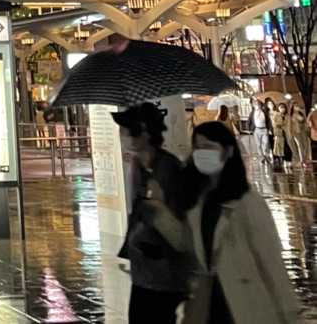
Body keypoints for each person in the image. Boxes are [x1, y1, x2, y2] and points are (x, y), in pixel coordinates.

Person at [180, 120, 300, 323]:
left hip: (246, 305)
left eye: (209, 146)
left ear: (228, 151)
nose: (201, 153)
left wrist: (288, 313)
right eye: (197, 147)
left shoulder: (248, 202)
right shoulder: (198, 202)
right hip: (209, 304)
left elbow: (270, 261)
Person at [112, 103, 190, 323]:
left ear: (144, 133)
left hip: (164, 275)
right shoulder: (139, 167)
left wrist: (156, 206)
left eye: (126, 131)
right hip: (144, 272)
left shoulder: (168, 169)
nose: (122, 136)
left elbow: (179, 230)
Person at [289, 104, 309, 169]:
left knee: (305, 146)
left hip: (303, 132)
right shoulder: (293, 115)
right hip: (296, 132)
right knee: (300, 146)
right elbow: (300, 119)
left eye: (298, 106)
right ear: (293, 108)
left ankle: (304, 160)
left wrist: (302, 112)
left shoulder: (301, 114)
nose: (297, 107)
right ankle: (302, 161)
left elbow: (305, 120)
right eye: (296, 106)